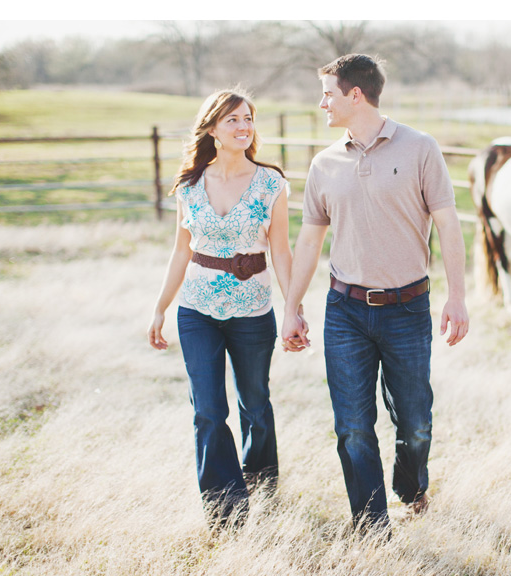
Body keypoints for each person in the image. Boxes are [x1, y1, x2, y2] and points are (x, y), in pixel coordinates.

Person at [281, 54, 469, 532]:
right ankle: (371, 525)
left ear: (355, 95)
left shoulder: (420, 148)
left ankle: (411, 486)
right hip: (345, 310)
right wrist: (291, 307)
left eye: (328, 93)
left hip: (407, 308)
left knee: (416, 422)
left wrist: (458, 298)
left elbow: (448, 224)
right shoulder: (324, 164)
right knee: (352, 428)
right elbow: (308, 239)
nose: (321, 103)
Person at [148, 86, 307, 526]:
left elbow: (282, 251)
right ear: (213, 129)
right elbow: (181, 251)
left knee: (255, 404)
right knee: (208, 410)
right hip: (196, 310)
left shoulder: (271, 182)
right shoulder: (189, 184)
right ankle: (224, 508)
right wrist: (161, 307)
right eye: (233, 119)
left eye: (249, 118)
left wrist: (292, 309)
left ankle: (261, 483)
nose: (243, 127)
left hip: (253, 311)